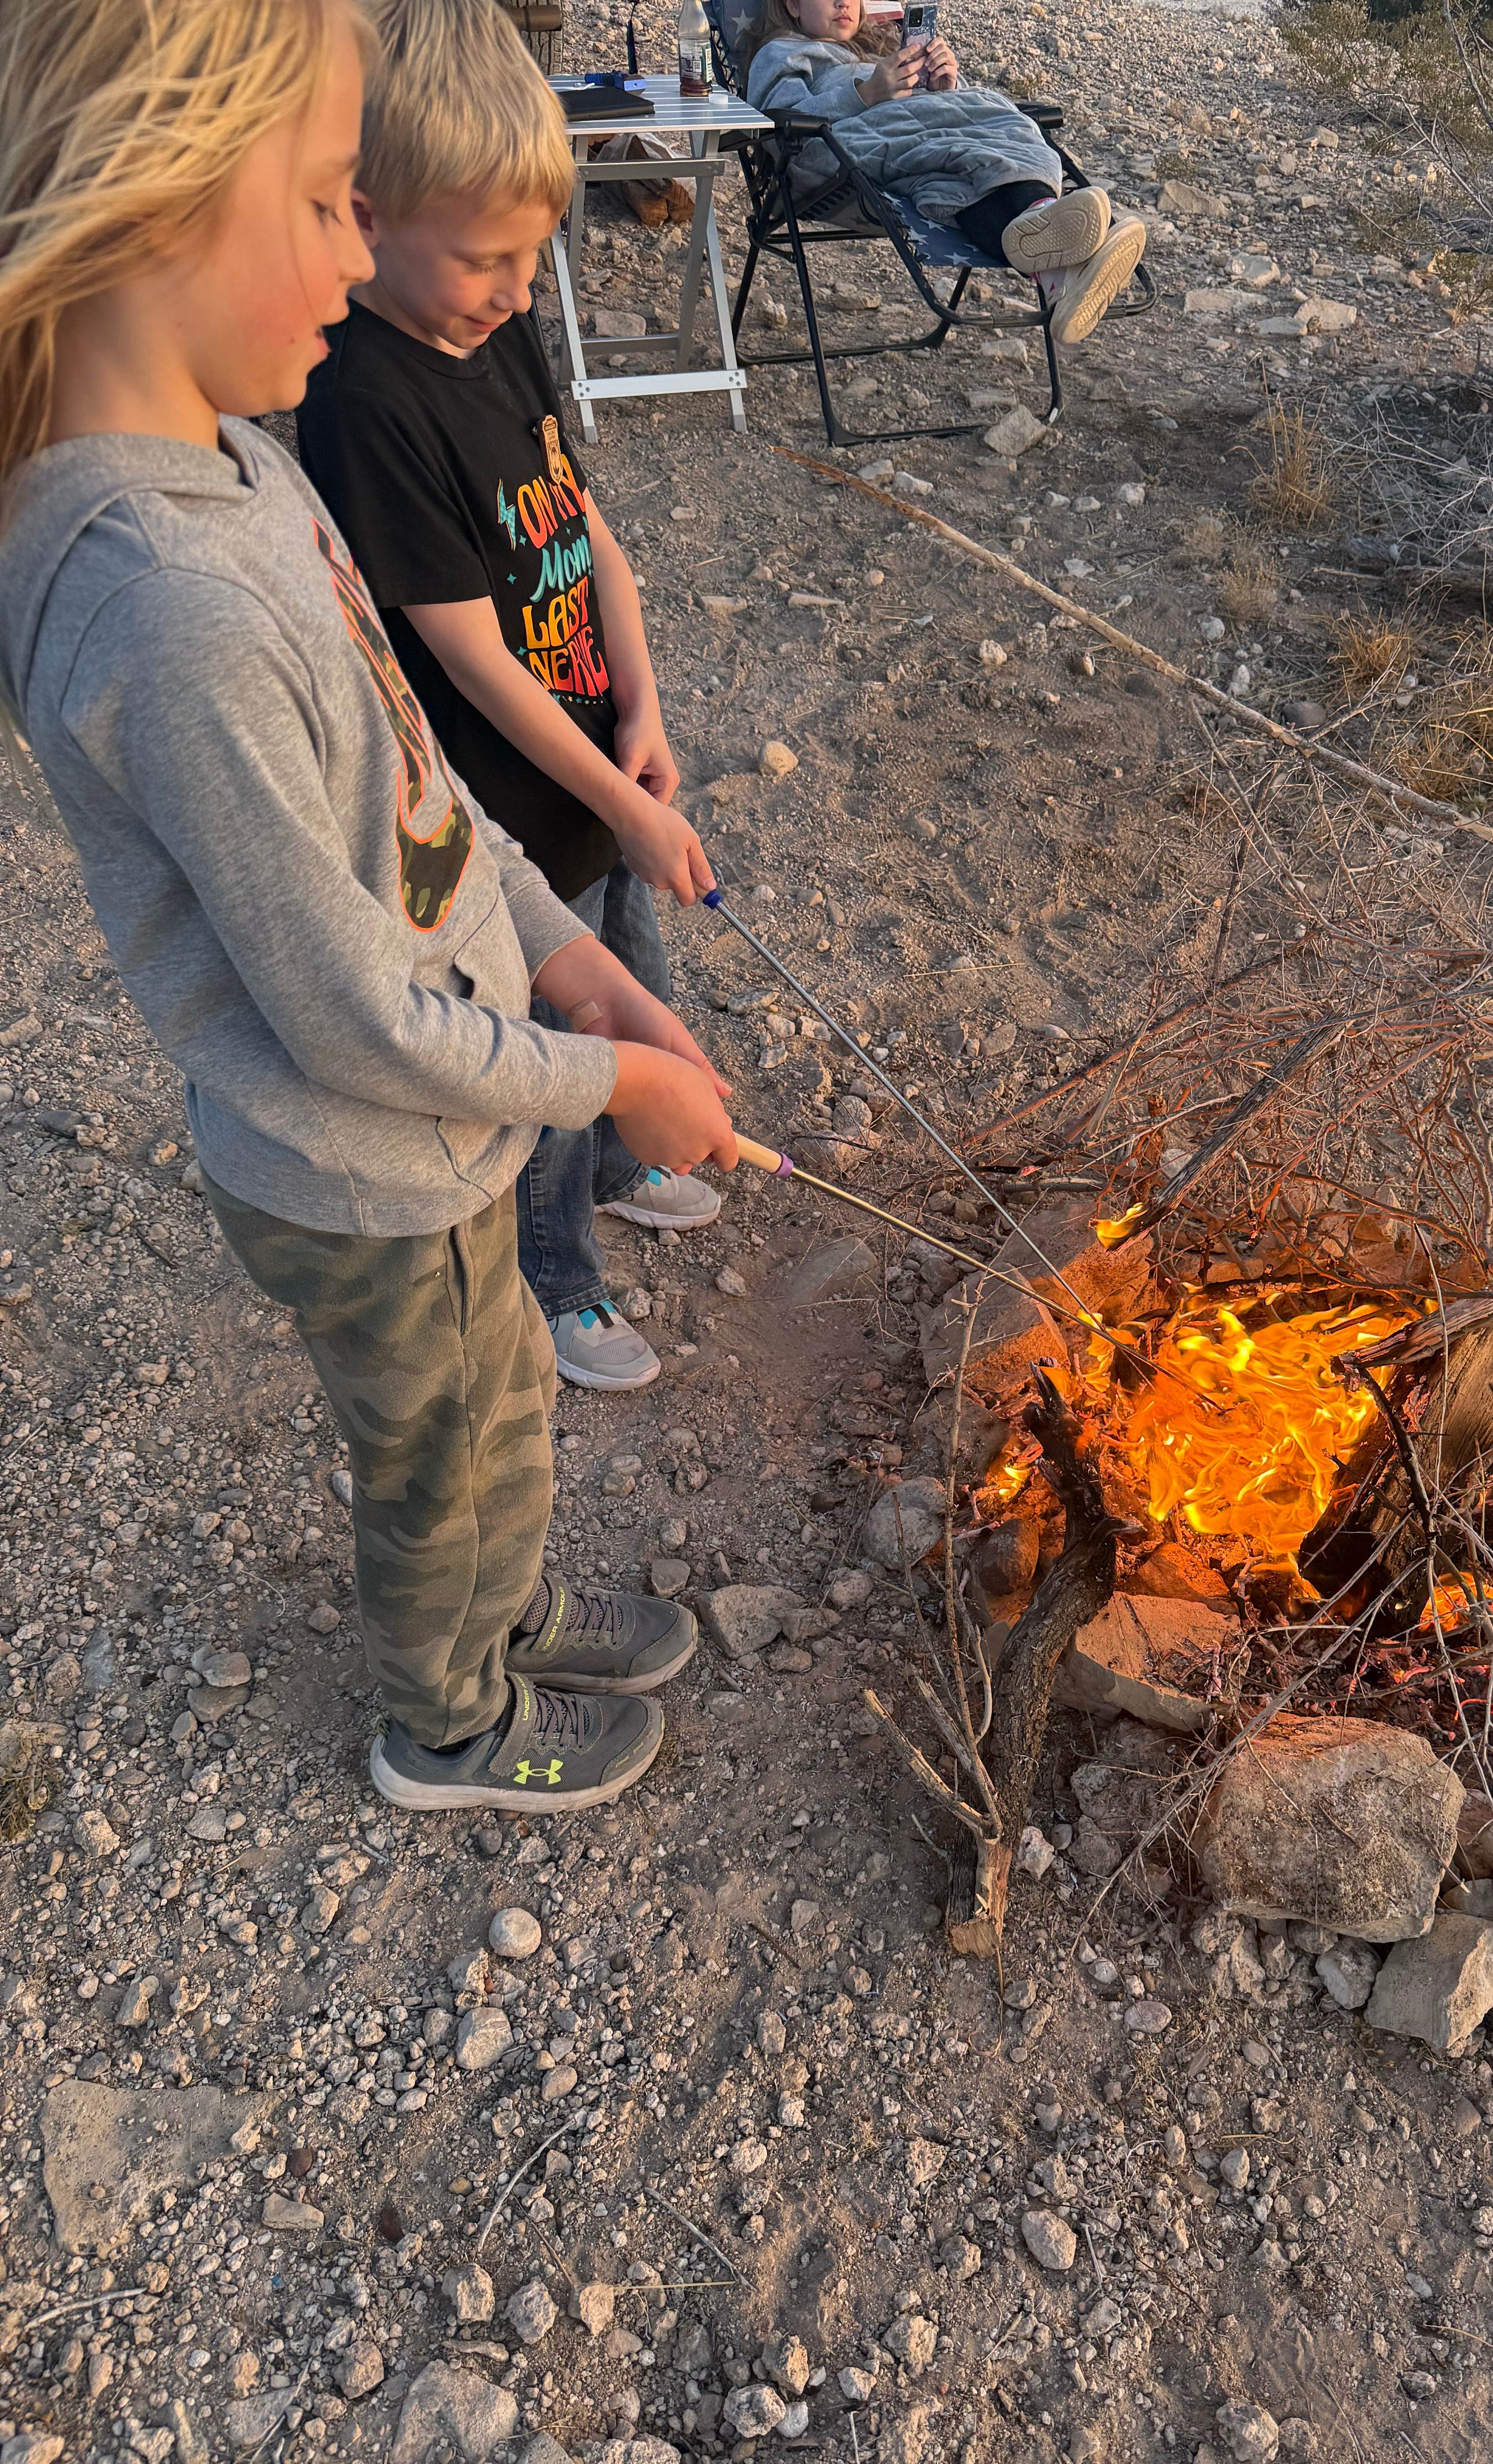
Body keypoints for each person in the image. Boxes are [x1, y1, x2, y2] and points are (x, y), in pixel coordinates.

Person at [0, 0, 738, 1814]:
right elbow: (347, 1019)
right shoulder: (165, 607)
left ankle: (506, 1613)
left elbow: (420, 781)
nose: (358, 251)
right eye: (334, 202)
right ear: (166, 205)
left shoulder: (251, 462)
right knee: (441, 1442)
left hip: (449, 1119)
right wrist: (610, 1092)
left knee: (498, 1410)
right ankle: (452, 1725)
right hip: (358, 1166)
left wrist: (578, 971)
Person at [298, 0, 719, 1400]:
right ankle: (556, 1278)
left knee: (633, 981)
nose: (513, 286)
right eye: (484, 257)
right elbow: (470, 658)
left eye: (530, 254)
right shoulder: (366, 397)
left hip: (598, 769)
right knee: (554, 1047)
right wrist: (613, 799)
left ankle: (624, 1162)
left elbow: (590, 529)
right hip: (505, 807)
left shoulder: (499, 323)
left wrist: (641, 716)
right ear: (368, 220)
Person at [744, 0, 1145, 344]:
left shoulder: (883, 45)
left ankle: (1060, 281)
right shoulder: (782, 53)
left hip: (919, 160)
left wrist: (946, 87)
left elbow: (958, 113)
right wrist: (864, 94)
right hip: (846, 158)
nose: (843, 3)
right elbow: (778, 128)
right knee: (968, 151)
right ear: (793, 4)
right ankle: (1076, 246)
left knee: (963, 176)